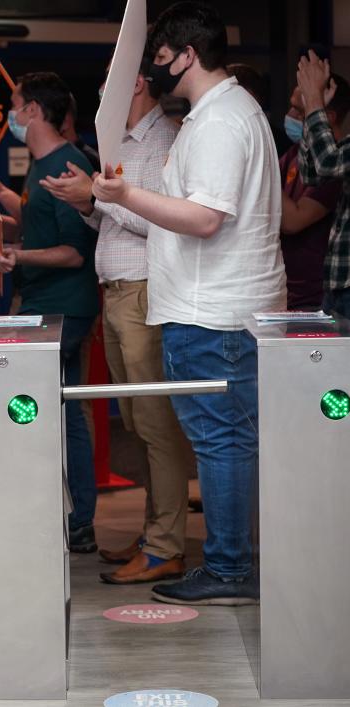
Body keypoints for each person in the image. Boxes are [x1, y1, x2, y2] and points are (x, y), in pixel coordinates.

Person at [93, 1, 285, 605]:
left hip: (214, 311)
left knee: (223, 444)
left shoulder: (222, 120)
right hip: (214, 307)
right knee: (227, 442)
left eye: (160, 57)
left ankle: (229, 569)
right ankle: (233, 561)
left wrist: (127, 193)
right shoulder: (219, 114)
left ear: (188, 55)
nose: (152, 70)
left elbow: (204, 218)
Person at [41, 46, 195, 585]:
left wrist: (98, 197)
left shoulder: (164, 139)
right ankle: (156, 532)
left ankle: (165, 546)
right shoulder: (122, 143)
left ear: (134, 84)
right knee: (135, 423)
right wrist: (85, 204)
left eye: (110, 78)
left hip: (146, 293)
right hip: (118, 293)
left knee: (156, 427)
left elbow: (166, 222)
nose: (102, 88)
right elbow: (113, 222)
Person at [0, 72, 100, 553]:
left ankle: (73, 517)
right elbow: (35, 217)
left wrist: (18, 257)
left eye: (14, 106)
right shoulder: (42, 167)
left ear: (33, 110)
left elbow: (74, 251)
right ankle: (75, 517)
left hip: (62, 306)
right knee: (63, 414)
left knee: (52, 413)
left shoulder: (66, 165)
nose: (10, 115)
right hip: (46, 303)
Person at [279, 76, 349, 311]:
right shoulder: (292, 155)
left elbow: (293, 220)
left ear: (327, 117)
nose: (290, 115)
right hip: (334, 284)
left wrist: (314, 104)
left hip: (318, 290)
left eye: (300, 109)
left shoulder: (337, 158)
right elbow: (311, 172)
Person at [296, 49, 350, 318]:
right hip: (339, 281)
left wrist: (316, 103)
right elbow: (313, 173)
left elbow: (328, 162)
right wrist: (311, 109)